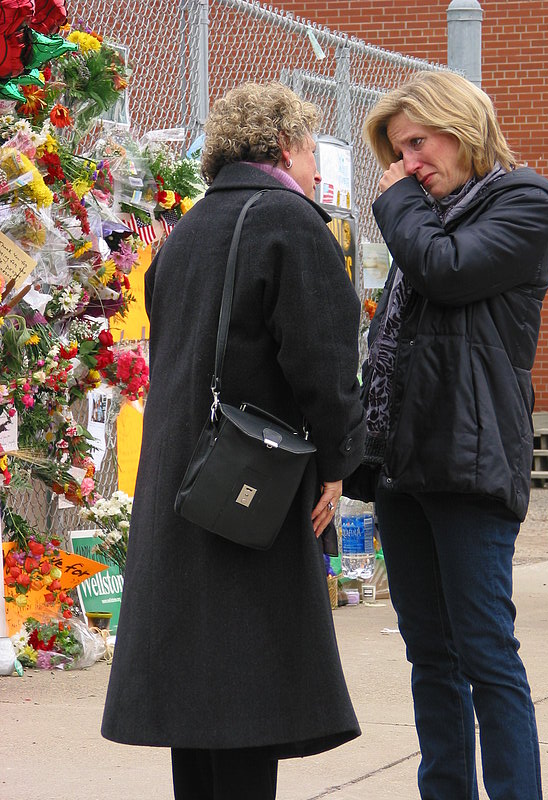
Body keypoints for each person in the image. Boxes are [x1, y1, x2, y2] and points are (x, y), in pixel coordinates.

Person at [102, 81, 366, 800]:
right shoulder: (290, 221)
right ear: (285, 145)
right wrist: (342, 464)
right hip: (255, 485)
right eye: (313, 151)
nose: (317, 169)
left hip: (183, 483)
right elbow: (324, 364)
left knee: (197, 696)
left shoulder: (188, 229)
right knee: (250, 688)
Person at [358, 71, 548, 800]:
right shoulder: (428, 216)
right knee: (430, 656)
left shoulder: (525, 202)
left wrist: (396, 201)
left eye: (418, 143)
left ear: (465, 128)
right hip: (405, 463)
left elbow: (446, 273)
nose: (410, 164)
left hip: (472, 458)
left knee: (486, 653)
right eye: (397, 151)